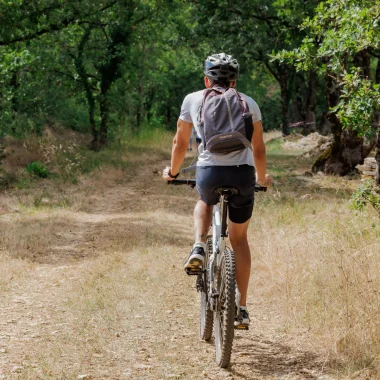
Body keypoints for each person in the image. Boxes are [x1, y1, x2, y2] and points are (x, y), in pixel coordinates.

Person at [162, 53, 271, 328]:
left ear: (206, 79)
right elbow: (258, 148)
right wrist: (262, 178)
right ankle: (242, 308)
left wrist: (173, 173)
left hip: (209, 172)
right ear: (234, 81)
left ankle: (199, 244)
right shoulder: (250, 103)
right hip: (243, 174)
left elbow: (179, 142)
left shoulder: (193, 99)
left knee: (204, 201)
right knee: (239, 240)